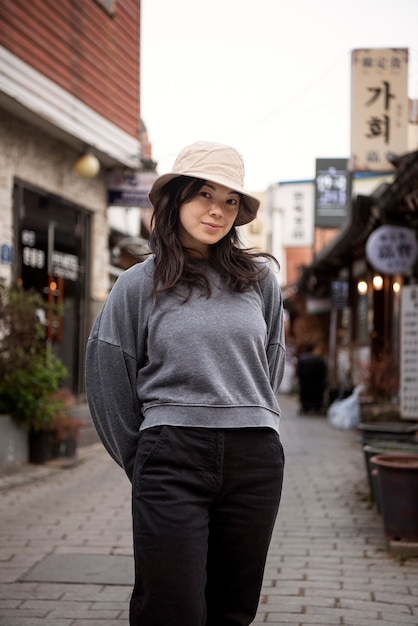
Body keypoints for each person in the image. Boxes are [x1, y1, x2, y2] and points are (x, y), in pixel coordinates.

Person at [85, 140, 286, 626]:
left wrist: (249, 410)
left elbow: (270, 363)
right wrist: (143, 456)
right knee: (170, 608)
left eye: (230, 200)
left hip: (254, 460)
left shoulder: (259, 280)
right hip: (171, 456)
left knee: (233, 610)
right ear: (175, 198)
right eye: (203, 195)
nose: (217, 211)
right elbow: (107, 374)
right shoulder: (139, 282)